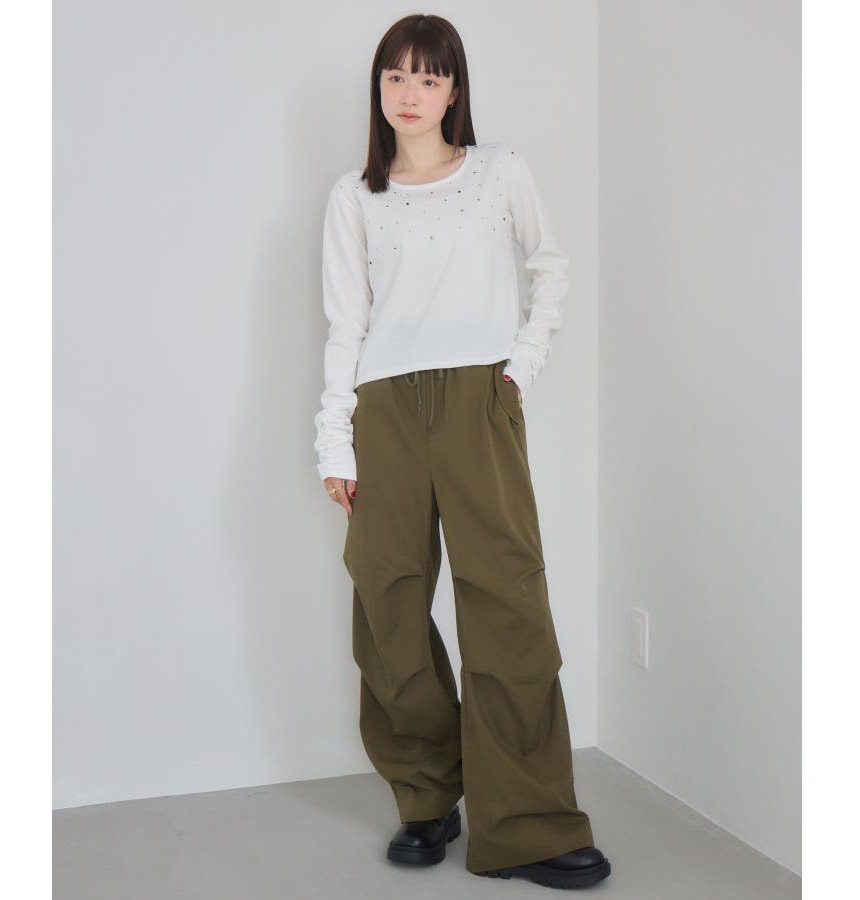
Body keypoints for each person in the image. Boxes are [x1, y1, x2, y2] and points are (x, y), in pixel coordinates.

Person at [313, 13, 611, 892]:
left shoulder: (498, 172)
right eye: (395, 76)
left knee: (507, 604)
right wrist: (335, 440)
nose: (410, 93)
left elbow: (550, 267)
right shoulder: (353, 197)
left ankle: (529, 823)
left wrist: (517, 371)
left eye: (430, 77)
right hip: (383, 413)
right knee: (389, 609)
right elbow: (345, 325)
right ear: (378, 87)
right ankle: (427, 793)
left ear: (454, 90)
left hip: (480, 401)